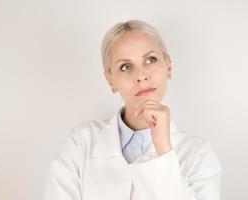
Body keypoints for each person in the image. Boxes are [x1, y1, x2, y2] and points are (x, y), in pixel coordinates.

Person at [42, 19, 222, 200]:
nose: (141, 75)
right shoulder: (79, 144)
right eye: (125, 66)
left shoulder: (198, 154)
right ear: (110, 79)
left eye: (151, 60)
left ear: (168, 65)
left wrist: (163, 149)